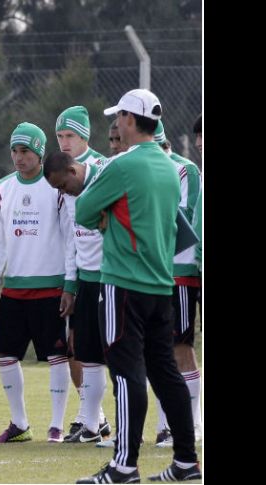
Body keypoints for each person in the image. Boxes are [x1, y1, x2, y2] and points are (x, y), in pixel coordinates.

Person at [75, 89, 201, 483]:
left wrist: (107, 219)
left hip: (123, 283)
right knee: (165, 372)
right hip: (161, 286)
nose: (116, 125)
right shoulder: (168, 164)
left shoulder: (123, 164)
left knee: (126, 372)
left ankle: (124, 465)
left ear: (131, 119)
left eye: (120, 118)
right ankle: (185, 461)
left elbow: (83, 209)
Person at [0, 122, 74, 444]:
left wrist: (69, 285)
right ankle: (20, 423)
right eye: (15, 151)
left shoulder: (57, 187)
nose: (19, 158)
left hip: (51, 288)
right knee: (6, 355)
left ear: (39, 153)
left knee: (57, 356)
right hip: (15, 290)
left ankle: (56, 425)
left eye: (26, 152)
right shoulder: (1, 189)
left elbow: (70, 237)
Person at [43, 151, 111, 446]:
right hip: (86, 281)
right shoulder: (70, 195)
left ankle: (158, 427)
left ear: (73, 171)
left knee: (123, 355)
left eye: (61, 186)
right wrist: (71, 285)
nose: (62, 193)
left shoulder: (108, 175)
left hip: (114, 279)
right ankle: (91, 424)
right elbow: (74, 239)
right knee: (88, 354)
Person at [152, 121, 203, 447]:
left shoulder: (185, 172)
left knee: (180, 348)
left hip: (183, 272)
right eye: (197, 135)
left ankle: (193, 423)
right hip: (159, 273)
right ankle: (173, 425)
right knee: (165, 350)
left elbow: (186, 221)